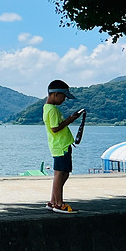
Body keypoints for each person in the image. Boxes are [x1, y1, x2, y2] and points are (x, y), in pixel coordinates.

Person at [44, 79, 84, 213]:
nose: (64, 99)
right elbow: (55, 128)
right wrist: (70, 120)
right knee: (60, 174)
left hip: (60, 145)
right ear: (55, 94)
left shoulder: (48, 108)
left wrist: (69, 119)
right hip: (61, 146)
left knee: (62, 174)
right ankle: (59, 204)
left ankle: (53, 201)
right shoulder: (53, 110)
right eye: (64, 96)